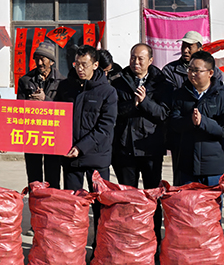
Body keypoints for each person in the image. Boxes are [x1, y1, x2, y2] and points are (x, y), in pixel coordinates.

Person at [57, 44, 117, 246]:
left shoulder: (107, 92)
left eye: (84, 64)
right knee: (73, 205)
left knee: (101, 207)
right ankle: (73, 247)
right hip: (70, 157)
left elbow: (105, 127)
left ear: (96, 65)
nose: (80, 68)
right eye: (77, 64)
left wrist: (81, 147)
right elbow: (56, 117)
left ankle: (101, 247)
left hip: (97, 158)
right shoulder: (66, 87)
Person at [111, 43, 171, 243]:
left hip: (150, 148)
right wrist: (134, 104)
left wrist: (145, 102)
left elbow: (163, 114)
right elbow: (114, 111)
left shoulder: (161, 84)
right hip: (125, 148)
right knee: (127, 197)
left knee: (152, 196)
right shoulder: (118, 82)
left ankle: (154, 240)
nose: (135, 62)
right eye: (133, 57)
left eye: (140, 58)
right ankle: (128, 239)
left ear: (150, 60)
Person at [163, 30, 224, 184]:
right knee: (183, 185)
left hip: (209, 144)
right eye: (184, 45)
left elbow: (223, 118)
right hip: (181, 138)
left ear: (200, 48)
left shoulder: (215, 73)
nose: (185, 50)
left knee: (210, 193)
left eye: (190, 46)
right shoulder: (170, 70)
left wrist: (203, 121)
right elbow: (171, 103)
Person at [170, 51, 224, 186]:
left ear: (210, 73)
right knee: (187, 200)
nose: (192, 74)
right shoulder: (180, 95)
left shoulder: (222, 97)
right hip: (187, 165)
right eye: (190, 69)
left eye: (197, 71)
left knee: (212, 200)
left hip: (213, 168)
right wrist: (190, 121)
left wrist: (202, 122)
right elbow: (173, 123)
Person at [16, 38, 65, 189]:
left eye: (43, 59)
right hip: (32, 134)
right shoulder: (25, 80)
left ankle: (52, 203)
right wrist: (30, 103)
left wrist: (46, 100)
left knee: (53, 176)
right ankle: (35, 202)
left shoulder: (62, 82)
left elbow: (65, 109)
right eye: (37, 59)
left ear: (52, 61)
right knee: (34, 177)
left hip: (52, 134)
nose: (39, 63)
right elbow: (19, 108)